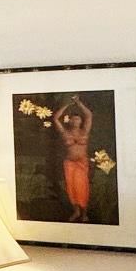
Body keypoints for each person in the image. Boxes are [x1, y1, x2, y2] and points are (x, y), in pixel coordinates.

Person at [53, 95, 94, 223]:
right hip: (69, 163)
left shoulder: (85, 131)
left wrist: (78, 103)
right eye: (74, 119)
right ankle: (76, 211)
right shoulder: (65, 132)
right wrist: (68, 105)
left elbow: (89, 115)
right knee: (71, 187)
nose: (76, 121)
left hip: (81, 162)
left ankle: (84, 213)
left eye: (78, 120)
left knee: (82, 187)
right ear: (70, 121)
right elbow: (55, 118)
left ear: (81, 122)